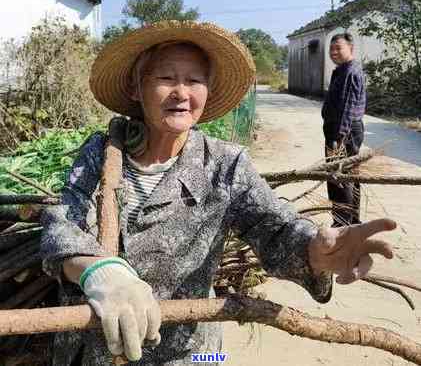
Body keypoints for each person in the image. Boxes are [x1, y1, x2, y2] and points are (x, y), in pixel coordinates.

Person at [40, 21, 394, 366]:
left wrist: (317, 251)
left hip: (186, 355)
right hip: (93, 352)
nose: (182, 92)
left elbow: (277, 229)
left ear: (206, 93)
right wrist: (101, 272)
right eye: (166, 78)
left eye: (195, 80)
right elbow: (62, 223)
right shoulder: (100, 152)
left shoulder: (225, 164)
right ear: (136, 88)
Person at [322, 33, 367, 227]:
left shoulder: (351, 72)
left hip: (344, 131)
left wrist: (338, 138)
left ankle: (343, 224)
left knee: (340, 178)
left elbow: (348, 109)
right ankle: (352, 221)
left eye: (338, 48)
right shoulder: (341, 70)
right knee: (349, 176)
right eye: (331, 49)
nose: (334, 52)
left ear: (351, 48)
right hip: (342, 130)